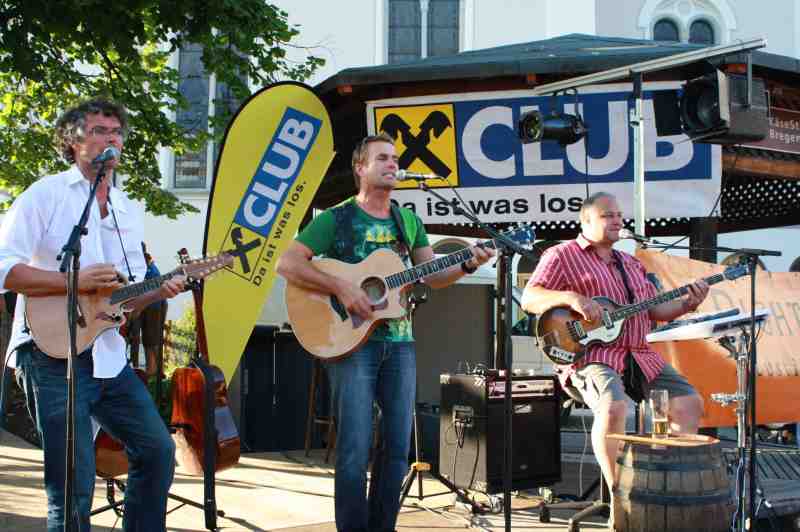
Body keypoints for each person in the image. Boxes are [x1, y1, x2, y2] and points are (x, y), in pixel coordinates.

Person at [277, 133, 493, 532]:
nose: (393, 164)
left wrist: (467, 264)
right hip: (350, 342)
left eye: (395, 158)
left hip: (400, 342)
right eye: (382, 158)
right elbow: (287, 264)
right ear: (360, 168)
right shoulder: (337, 218)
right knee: (354, 448)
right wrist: (343, 288)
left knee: (396, 447)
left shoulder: (407, 221)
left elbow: (432, 274)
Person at [0, 98, 184, 532]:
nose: (110, 139)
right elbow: (4, 269)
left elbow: (122, 301)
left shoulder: (126, 209)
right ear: (73, 141)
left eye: (116, 132)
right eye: (99, 131)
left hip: (107, 357)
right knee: (72, 486)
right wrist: (74, 281)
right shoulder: (45, 194)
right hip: (48, 354)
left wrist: (158, 290)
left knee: (157, 451)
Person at [521, 192, 709, 509]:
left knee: (688, 403)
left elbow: (655, 309)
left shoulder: (631, 263)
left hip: (639, 353)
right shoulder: (562, 255)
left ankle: (660, 485)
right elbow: (530, 298)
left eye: (619, 215)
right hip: (592, 355)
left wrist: (688, 304)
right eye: (608, 215)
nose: (617, 220)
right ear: (585, 221)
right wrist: (572, 298)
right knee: (613, 408)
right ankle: (622, 499)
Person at [126, 243, 168, 377]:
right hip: (142, 306)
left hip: (153, 307)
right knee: (140, 339)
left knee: (152, 340)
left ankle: (158, 371)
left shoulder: (151, 270)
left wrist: (137, 310)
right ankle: (146, 369)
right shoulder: (139, 266)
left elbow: (153, 294)